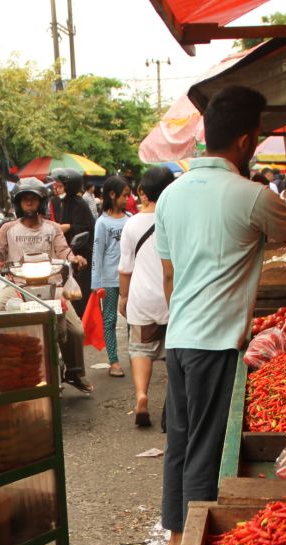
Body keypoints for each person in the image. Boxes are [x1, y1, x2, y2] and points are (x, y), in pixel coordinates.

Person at [155, 86, 286, 545]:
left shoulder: (171, 196)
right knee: (206, 445)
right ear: (245, 141)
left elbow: (170, 274)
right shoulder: (251, 196)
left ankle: (177, 537)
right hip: (215, 341)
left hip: (178, 339)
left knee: (181, 439)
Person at [0, 177, 93, 394]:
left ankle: (74, 372)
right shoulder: (8, 228)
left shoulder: (53, 228)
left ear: (41, 202)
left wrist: (74, 258)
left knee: (76, 331)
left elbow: (63, 250)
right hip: (18, 286)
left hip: (52, 286)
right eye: (24, 199)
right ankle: (1, 367)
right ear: (18, 203)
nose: (29, 203)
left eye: (33, 199)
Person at [119, 165, 176, 428]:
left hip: (142, 297)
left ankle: (142, 394)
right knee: (174, 352)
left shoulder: (131, 224)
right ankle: (172, 403)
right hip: (173, 294)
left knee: (141, 350)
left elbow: (125, 267)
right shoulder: (176, 219)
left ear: (142, 192)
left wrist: (123, 297)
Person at [91, 175, 131, 378]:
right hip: (108, 280)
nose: (127, 199)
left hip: (130, 279)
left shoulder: (131, 219)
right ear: (112, 195)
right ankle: (113, 361)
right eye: (124, 195)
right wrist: (96, 283)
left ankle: (136, 356)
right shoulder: (102, 223)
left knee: (134, 319)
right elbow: (97, 253)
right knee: (110, 320)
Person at [49, 169, 95, 315]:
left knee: (80, 296)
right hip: (65, 255)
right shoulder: (59, 202)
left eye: (60, 186)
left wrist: (69, 227)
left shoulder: (79, 204)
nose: (56, 188)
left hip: (80, 257)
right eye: (56, 185)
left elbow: (87, 228)